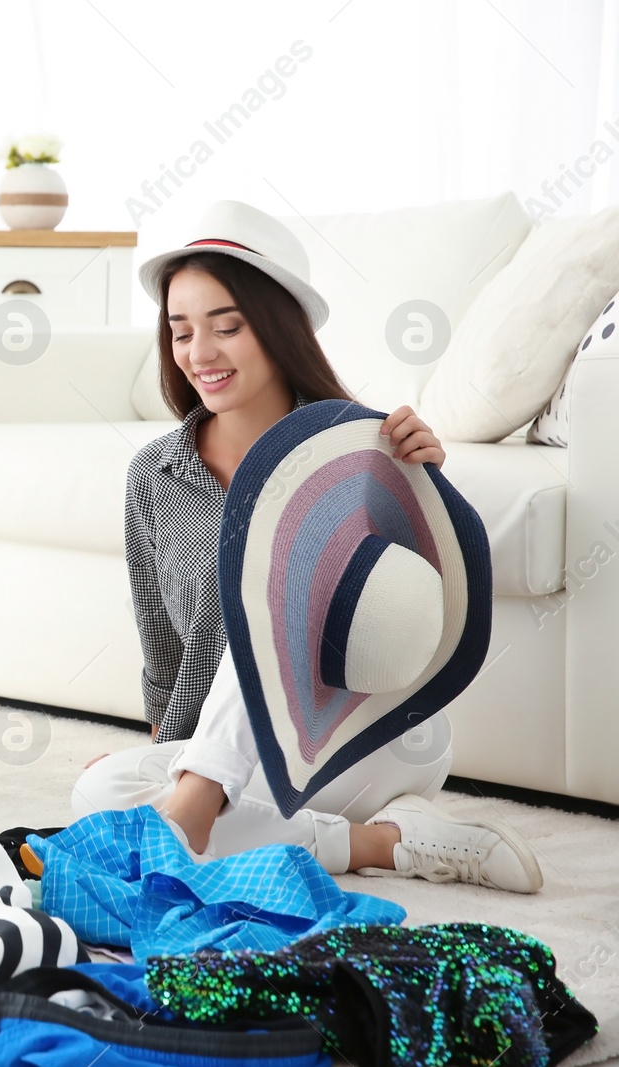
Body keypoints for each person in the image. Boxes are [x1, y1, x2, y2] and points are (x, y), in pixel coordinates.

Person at [71, 201, 542, 893]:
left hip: (380, 737)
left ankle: (195, 805)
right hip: (250, 760)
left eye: (226, 326)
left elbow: (424, 601)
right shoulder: (154, 474)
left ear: (278, 328)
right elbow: (163, 656)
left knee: (272, 582)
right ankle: (386, 842)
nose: (199, 353)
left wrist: (422, 482)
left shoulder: (359, 449)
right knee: (98, 794)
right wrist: (163, 759)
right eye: (180, 332)